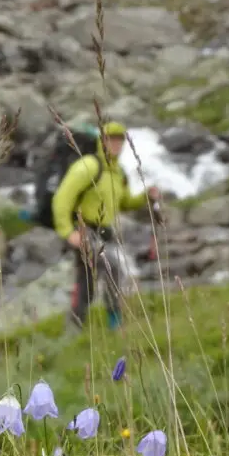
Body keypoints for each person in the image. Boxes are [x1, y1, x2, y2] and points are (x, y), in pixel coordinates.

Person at [51, 121, 160, 330]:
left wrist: (146, 196)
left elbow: (125, 202)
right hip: (84, 231)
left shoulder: (118, 172)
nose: (116, 144)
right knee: (113, 269)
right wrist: (68, 232)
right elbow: (61, 198)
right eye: (111, 139)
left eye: (120, 140)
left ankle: (77, 328)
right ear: (102, 141)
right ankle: (112, 320)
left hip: (105, 234)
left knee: (89, 283)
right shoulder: (89, 166)